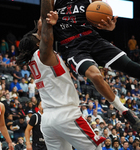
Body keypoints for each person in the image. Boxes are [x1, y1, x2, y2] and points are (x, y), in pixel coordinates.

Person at [51, 0, 140, 131]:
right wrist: (48, 24)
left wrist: (110, 26)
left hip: (93, 39)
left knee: (132, 67)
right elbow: (42, 27)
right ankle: (125, 111)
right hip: (72, 46)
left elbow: (106, 23)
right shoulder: (53, 1)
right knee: (95, 75)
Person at [16, 1, 106, 149]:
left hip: (48, 119)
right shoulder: (42, 54)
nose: (41, 21)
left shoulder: (33, 60)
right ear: (39, 44)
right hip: (66, 115)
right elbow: (46, 33)